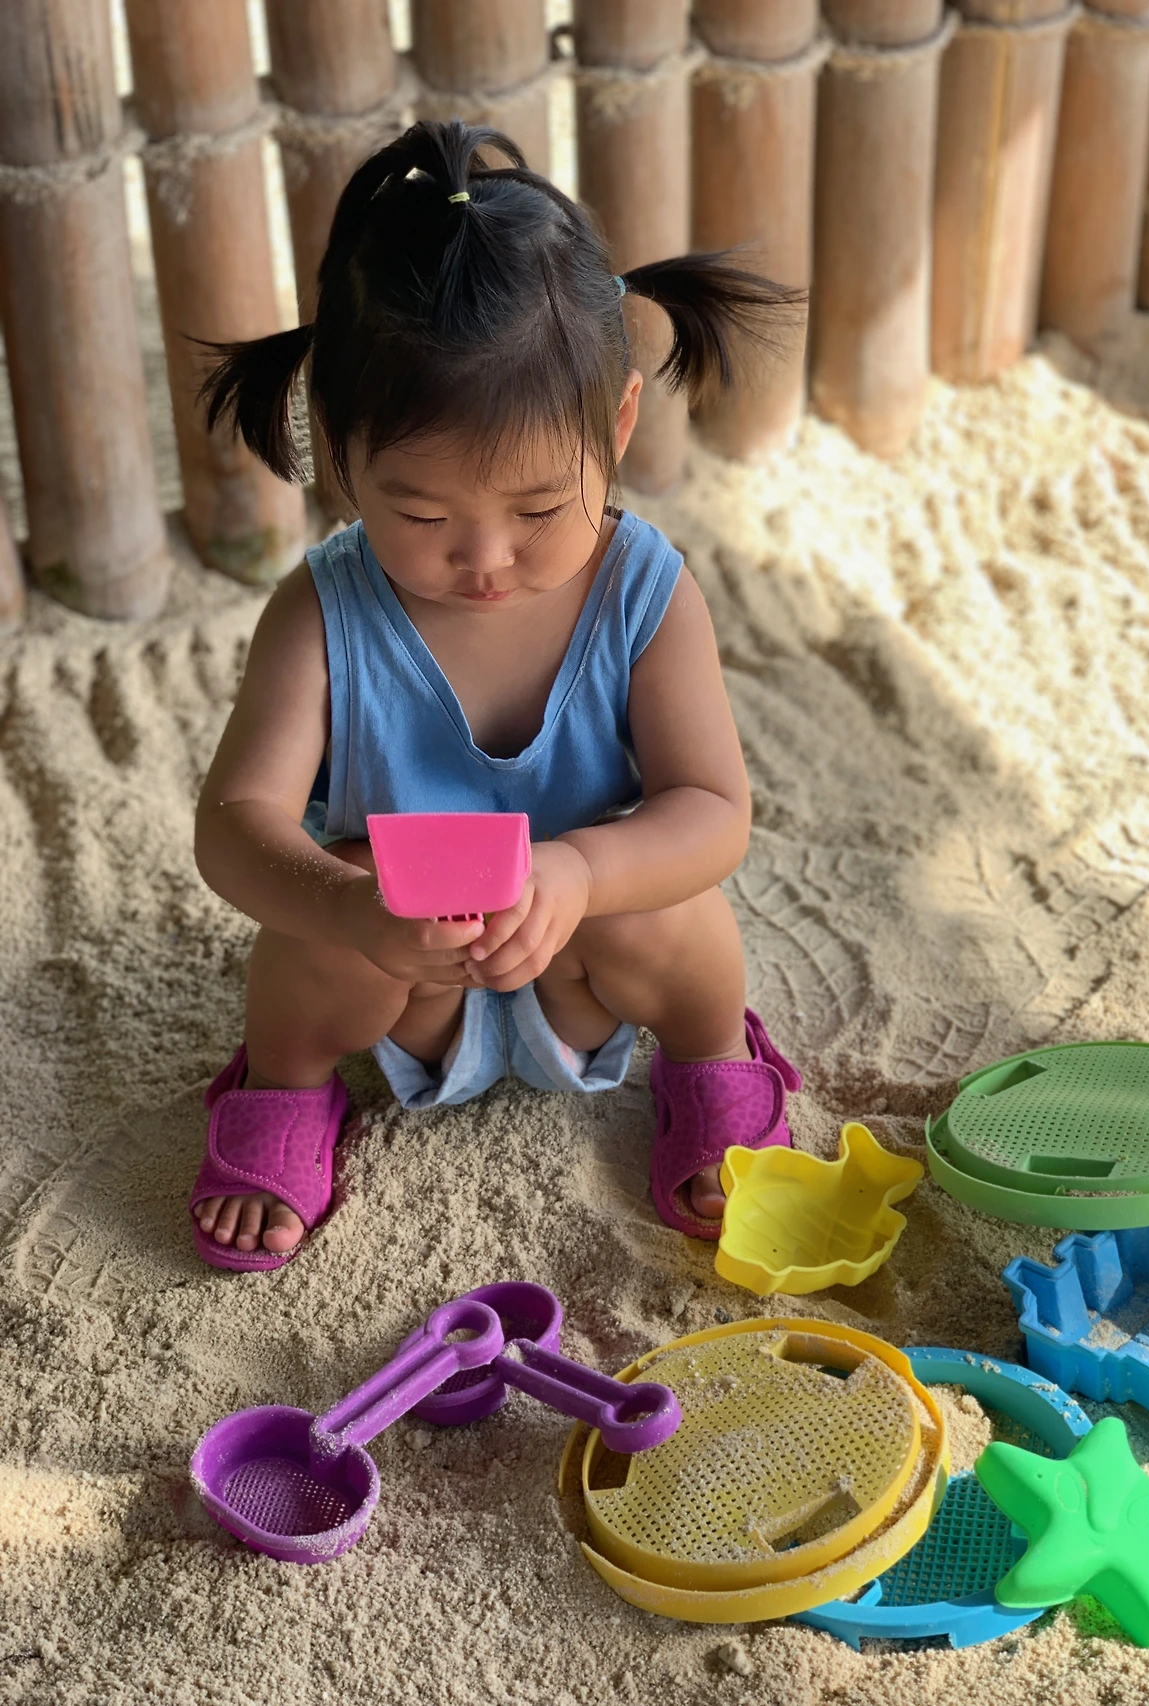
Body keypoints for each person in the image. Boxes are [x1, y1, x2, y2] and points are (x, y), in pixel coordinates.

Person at [188, 119, 802, 1272]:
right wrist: (350, 910)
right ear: (339, 452)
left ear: (617, 425)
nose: (485, 558)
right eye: (421, 513)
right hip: (403, 980)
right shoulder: (321, 610)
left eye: (537, 509)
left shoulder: (644, 591)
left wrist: (583, 872)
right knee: (315, 917)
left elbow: (714, 809)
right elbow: (233, 825)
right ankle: (286, 1083)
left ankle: (712, 1057)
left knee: (672, 903)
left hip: (584, 967)